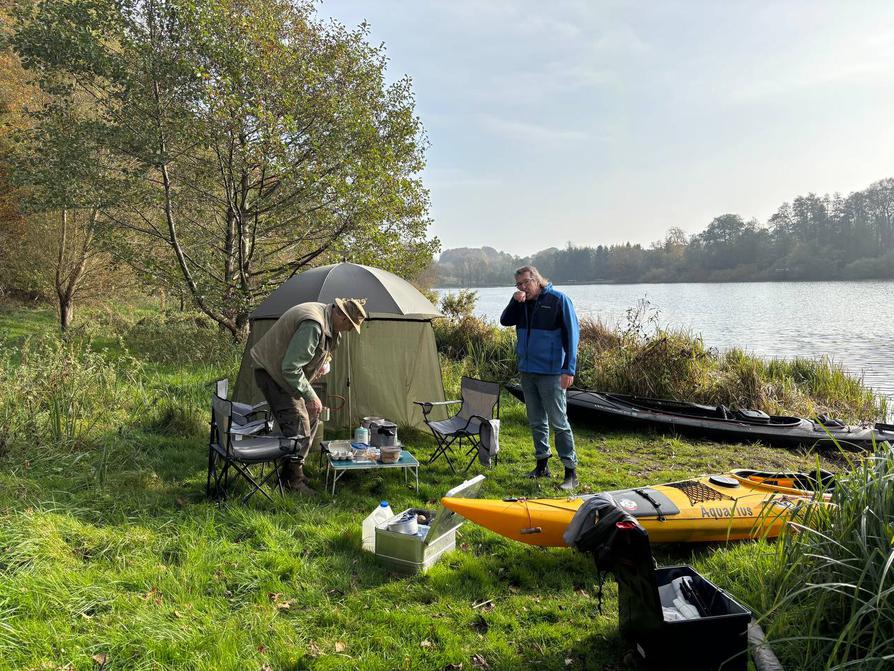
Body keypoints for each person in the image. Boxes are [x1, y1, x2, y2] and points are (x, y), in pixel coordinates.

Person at [250, 297, 367, 495]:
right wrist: (310, 395)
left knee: (311, 416)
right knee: (298, 423)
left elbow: (320, 351)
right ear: (340, 314)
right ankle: (291, 482)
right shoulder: (313, 324)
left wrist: (323, 363)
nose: (349, 330)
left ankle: (294, 470)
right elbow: (290, 368)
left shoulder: (328, 320)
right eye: (349, 325)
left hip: (284, 373)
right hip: (273, 373)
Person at [500, 266, 580, 490]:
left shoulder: (558, 300)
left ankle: (570, 471)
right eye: (518, 284)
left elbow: (572, 335)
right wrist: (515, 301)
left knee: (559, 422)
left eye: (526, 282)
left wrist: (569, 370)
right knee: (536, 421)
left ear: (536, 279)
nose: (523, 287)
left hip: (552, 372)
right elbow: (505, 321)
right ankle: (542, 465)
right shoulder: (522, 303)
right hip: (528, 371)